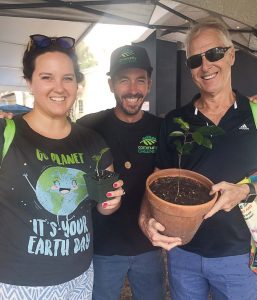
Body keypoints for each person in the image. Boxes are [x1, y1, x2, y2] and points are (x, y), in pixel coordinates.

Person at [139, 17, 257, 300]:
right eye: (195, 60)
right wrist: (145, 219)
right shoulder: (175, 121)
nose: (205, 66)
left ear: (231, 55)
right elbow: (157, 180)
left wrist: (244, 190)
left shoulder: (253, 114)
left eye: (214, 53)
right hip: (183, 254)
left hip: (238, 257)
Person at [0, 34, 123, 299]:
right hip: (16, 284)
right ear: (29, 83)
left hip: (78, 279)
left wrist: (111, 201)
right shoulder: (5, 134)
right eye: (46, 77)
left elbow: (105, 205)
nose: (59, 87)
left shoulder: (92, 141)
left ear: (77, 84)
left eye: (68, 78)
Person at [77, 45, 175, 300]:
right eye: (124, 80)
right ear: (111, 84)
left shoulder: (161, 128)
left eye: (139, 80)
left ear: (149, 84)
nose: (133, 90)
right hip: (103, 248)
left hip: (148, 246)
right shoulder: (89, 126)